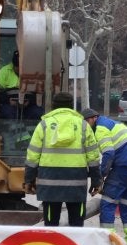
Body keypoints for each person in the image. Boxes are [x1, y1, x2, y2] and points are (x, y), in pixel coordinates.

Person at [24, 92, 101, 228]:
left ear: (54, 106)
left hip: (49, 182)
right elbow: (93, 156)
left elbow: (32, 156)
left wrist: (29, 180)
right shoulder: (83, 126)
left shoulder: (44, 125)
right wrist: (96, 181)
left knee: (51, 224)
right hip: (76, 182)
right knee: (76, 225)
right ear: (72, 106)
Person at [83, 108, 127, 245]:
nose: (86, 127)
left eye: (86, 123)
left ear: (92, 118)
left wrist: (100, 177)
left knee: (108, 204)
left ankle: (107, 244)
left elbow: (109, 153)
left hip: (123, 168)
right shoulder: (114, 124)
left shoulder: (100, 129)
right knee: (126, 205)